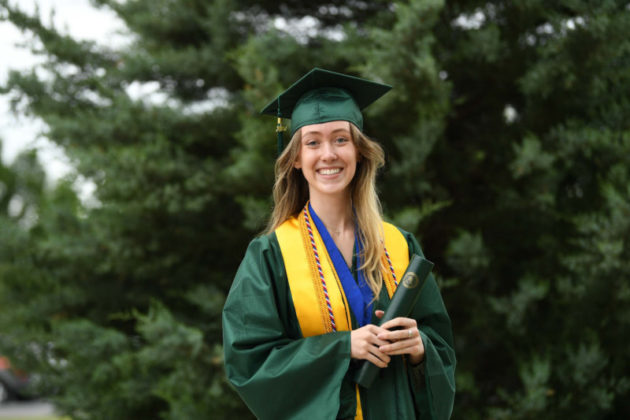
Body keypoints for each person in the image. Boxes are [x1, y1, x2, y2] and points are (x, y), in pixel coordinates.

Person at [222, 68, 456, 419]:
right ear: (296, 158)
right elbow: (248, 362)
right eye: (313, 141)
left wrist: (420, 347)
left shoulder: (399, 245)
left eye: (341, 139)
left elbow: (440, 344)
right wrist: (343, 347)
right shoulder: (271, 255)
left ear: (359, 151)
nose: (328, 154)